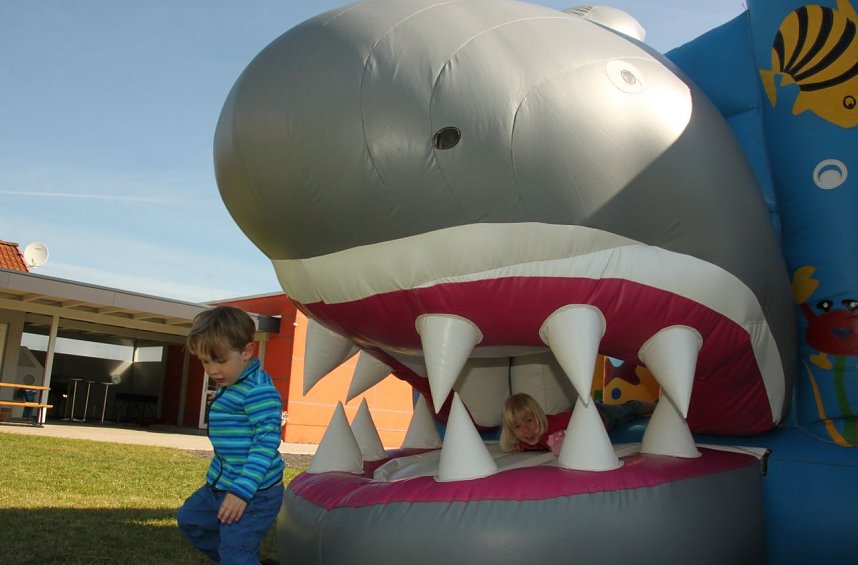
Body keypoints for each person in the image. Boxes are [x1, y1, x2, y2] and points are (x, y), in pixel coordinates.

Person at [177, 306, 285, 565]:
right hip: (220, 485)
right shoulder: (233, 383)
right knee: (191, 520)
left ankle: (238, 557)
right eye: (205, 361)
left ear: (246, 351)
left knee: (236, 551)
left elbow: (265, 445)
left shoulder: (258, 391)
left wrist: (241, 493)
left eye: (220, 360)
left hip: (255, 493)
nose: (212, 370)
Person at [499, 392, 654, 453]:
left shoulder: (555, 427)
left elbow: (592, 426)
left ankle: (652, 405)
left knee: (627, 410)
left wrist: (597, 431)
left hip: (597, 416)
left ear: (539, 416)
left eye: (529, 421)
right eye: (517, 426)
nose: (526, 430)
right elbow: (523, 443)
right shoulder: (524, 441)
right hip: (577, 412)